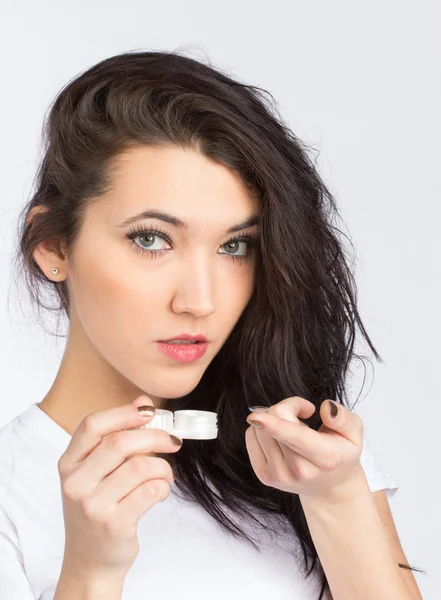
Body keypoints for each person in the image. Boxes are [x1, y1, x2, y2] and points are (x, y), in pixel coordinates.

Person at [0, 50, 424, 600]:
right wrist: (90, 574)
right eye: (151, 238)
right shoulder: (11, 495)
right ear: (53, 245)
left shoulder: (308, 456)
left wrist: (338, 497)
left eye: (234, 246)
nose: (201, 301)